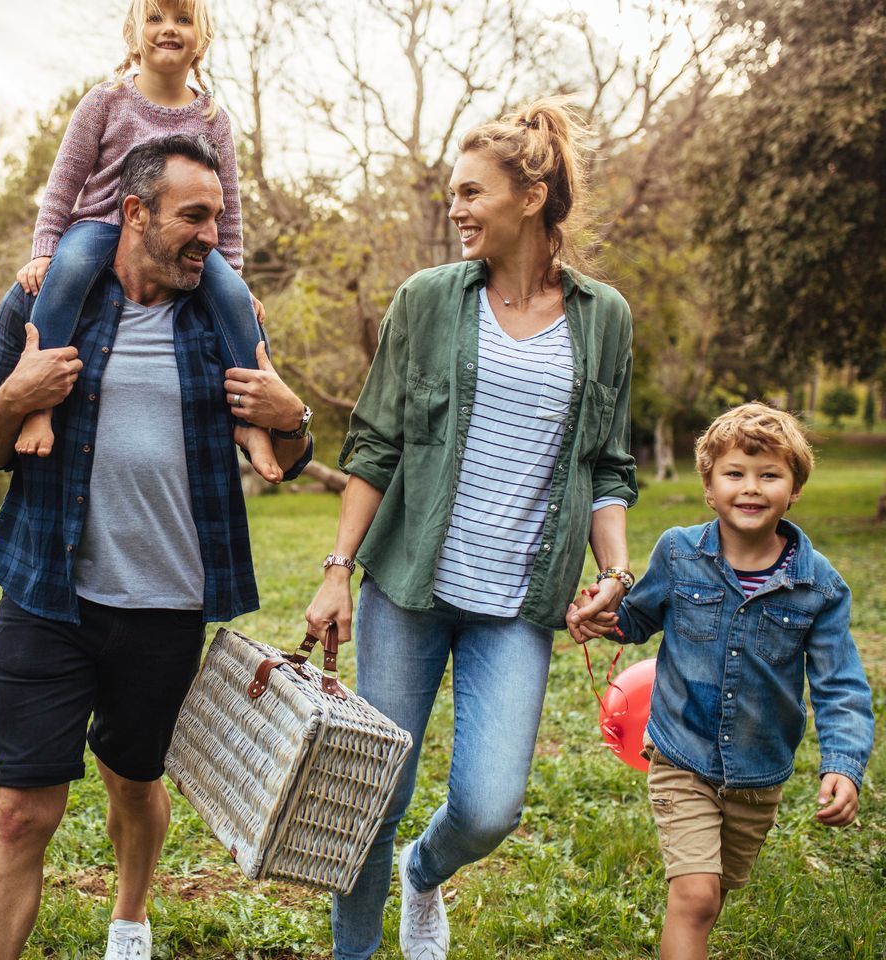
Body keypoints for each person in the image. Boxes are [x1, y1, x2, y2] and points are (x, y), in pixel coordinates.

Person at [0, 134, 313, 960]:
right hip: (48, 595)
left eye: (218, 219)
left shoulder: (223, 319)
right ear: (135, 212)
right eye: (193, 217)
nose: (210, 237)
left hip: (165, 607)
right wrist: (19, 395)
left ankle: (130, 915)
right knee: (19, 813)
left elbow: (285, 460)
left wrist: (292, 420)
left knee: (134, 779)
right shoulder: (49, 305)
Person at [304, 97, 639, 960]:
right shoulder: (426, 300)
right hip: (410, 588)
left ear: (531, 196)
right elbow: (375, 442)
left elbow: (607, 463)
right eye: (452, 193)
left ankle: (425, 872)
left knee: (491, 806)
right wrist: (339, 569)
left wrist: (615, 569)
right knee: (371, 792)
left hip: (518, 605)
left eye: (471, 192)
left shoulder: (604, 320)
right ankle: (356, 953)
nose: (455, 208)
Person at [567, 403, 874, 960]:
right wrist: (602, 616)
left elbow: (840, 685)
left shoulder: (819, 586)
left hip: (759, 769)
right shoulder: (680, 553)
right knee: (697, 895)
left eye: (769, 475)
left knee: (717, 889)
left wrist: (843, 764)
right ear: (709, 487)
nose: (751, 488)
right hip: (682, 752)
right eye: (734, 474)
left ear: (794, 488)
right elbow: (638, 618)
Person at [11, 0, 282, 484]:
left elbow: (230, 206)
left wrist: (234, 274)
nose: (169, 30)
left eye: (182, 20)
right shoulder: (106, 100)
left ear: (202, 36)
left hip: (180, 237)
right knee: (66, 274)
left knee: (239, 304)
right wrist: (45, 249)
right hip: (100, 225)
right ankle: (38, 406)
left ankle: (252, 421)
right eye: (156, 19)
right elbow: (64, 182)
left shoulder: (213, 117)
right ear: (135, 33)